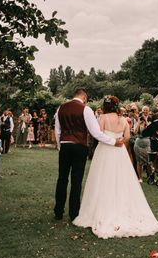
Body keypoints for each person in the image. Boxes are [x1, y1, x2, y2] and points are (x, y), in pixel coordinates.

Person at [72, 95, 158, 238]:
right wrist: (119, 140)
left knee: (102, 179)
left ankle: (100, 209)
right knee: (121, 179)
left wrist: (110, 140)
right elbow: (127, 137)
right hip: (119, 150)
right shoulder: (123, 119)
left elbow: (97, 134)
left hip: (104, 150)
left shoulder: (102, 118)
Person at [53, 88, 124, 221]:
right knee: (76, 180)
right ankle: (73, 213)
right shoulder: (86, 110)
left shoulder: (60, 108)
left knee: (62, 179)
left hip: (65, 146)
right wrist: (113, 141)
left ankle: (58, 211)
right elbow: (95, 133)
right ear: (84, 98)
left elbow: (58, 131)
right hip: (79, 147)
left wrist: (60, 145)